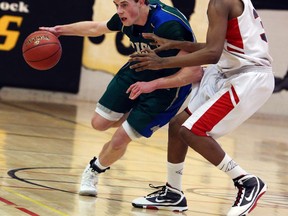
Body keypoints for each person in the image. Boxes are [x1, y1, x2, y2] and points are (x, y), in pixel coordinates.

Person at [40, 0, 202, 198]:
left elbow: (194, 71)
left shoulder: (168, 25)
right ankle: (135, 114)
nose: (119, 11)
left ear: (141, 2)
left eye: (124, 4)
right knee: (99, 123)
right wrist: (59, 31)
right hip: (139, 69)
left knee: (119, 140)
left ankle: (94, 169)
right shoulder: (127, 18)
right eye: (116, 4)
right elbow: (95, 27)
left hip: (168, 87)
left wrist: (152, 85)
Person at [128, 0, 274, 215]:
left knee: (192, 131)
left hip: (248, 77)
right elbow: (218, 47)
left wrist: (161, 63)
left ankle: (247, 181)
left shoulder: (219, 3)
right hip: (228, 71)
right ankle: (173, 192)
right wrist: (177, 45)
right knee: (178, 125)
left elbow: (212, 53)